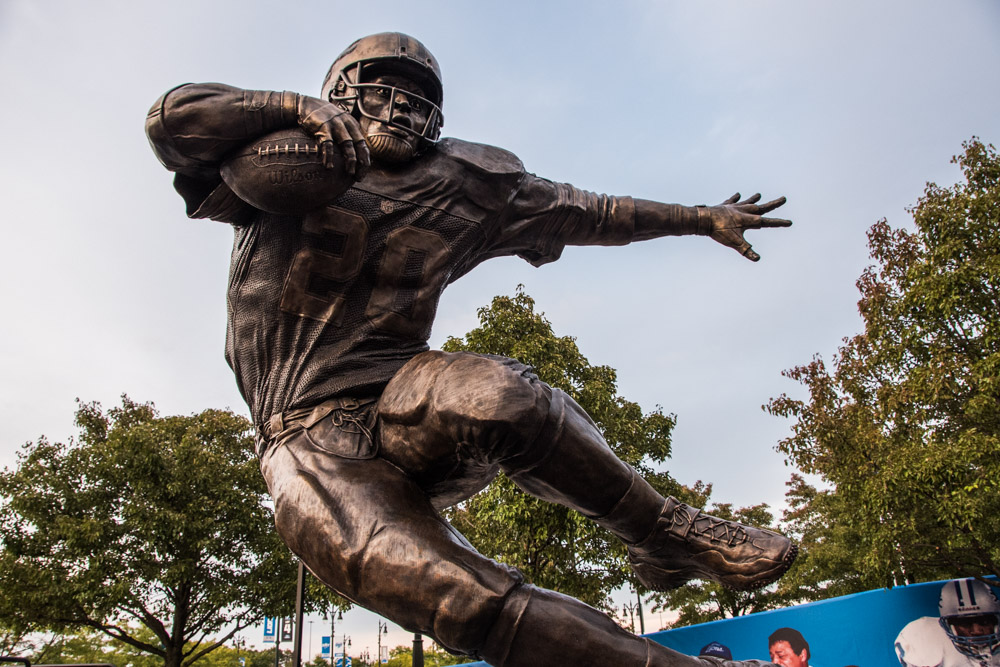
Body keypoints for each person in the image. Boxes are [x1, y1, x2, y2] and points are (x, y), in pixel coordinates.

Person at [146, 32, 796, 667]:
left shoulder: (464, 181)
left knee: (502, 395)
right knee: (465, 598)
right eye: (383, 91)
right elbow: (171, 121)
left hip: (400, 397)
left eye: (416, 98)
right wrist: (294, 109)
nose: (400, 107)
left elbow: (591, 211)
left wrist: (699, 216)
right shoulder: (286, 154)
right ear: (340, 94)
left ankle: (663, 533)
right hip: (306, 437)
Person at [896, 579, 1000, 667]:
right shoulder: (924, 637)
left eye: (985, 622)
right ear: (949, 625)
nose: (977, 631)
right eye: (965, 624)